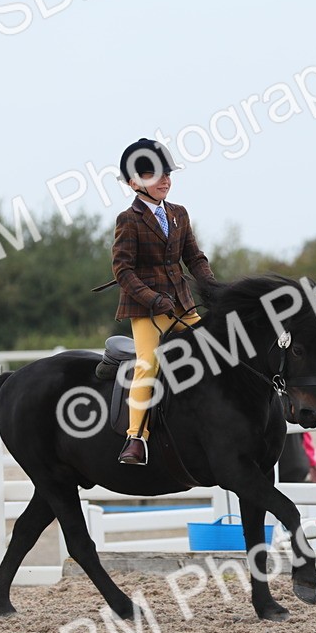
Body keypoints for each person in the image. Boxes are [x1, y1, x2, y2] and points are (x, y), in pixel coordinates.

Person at [112, 138, 218, 465]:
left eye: (167, 174)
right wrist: (152, 298)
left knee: (215, 351)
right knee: (148, 364)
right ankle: (136, 438)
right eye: (154, 175)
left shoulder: (179, 214)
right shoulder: (128, 220)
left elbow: (195, 259)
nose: (164, 180)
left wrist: (215, 290)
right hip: (146, 308)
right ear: (133, 183)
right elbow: (123, 269)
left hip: (182, 303)